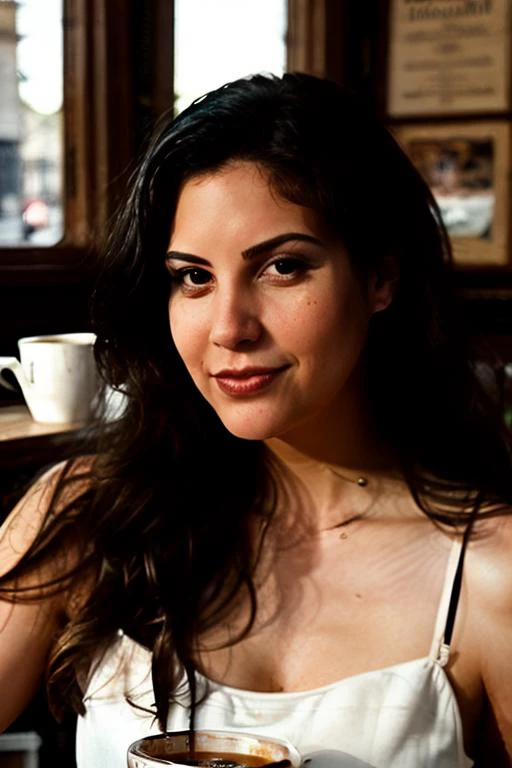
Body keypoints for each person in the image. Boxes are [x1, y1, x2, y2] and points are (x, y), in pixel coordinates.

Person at [1, 72, 512, 768]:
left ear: (381, 277)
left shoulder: (491, 572)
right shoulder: (88, 518)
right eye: (193, 277)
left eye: (282, 266)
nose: (230, 328)